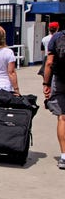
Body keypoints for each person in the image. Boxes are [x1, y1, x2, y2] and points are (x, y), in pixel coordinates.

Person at [43, 27, 65, 169]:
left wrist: (46, 83)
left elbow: (49, 62)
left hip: (60, 79)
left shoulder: (57, 37)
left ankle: (64, 156)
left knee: (62, 117)